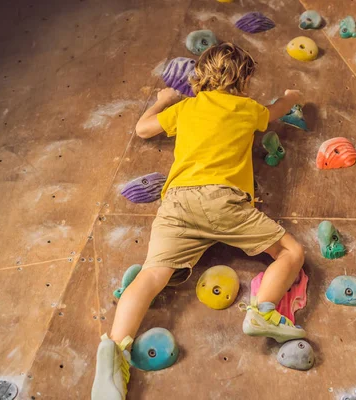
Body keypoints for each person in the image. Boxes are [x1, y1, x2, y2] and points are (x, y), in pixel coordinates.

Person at [91, 42, 305, 400]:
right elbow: (276, 112)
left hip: (177, 204)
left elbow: (143, 129)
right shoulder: (248, 108)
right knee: (291, 252)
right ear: (245, 79)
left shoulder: (186, 108)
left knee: (151, 274)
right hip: (225, 202)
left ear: (200, 77)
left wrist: (163, 99)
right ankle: (262, 312)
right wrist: (290, 95)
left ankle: (113, 352)